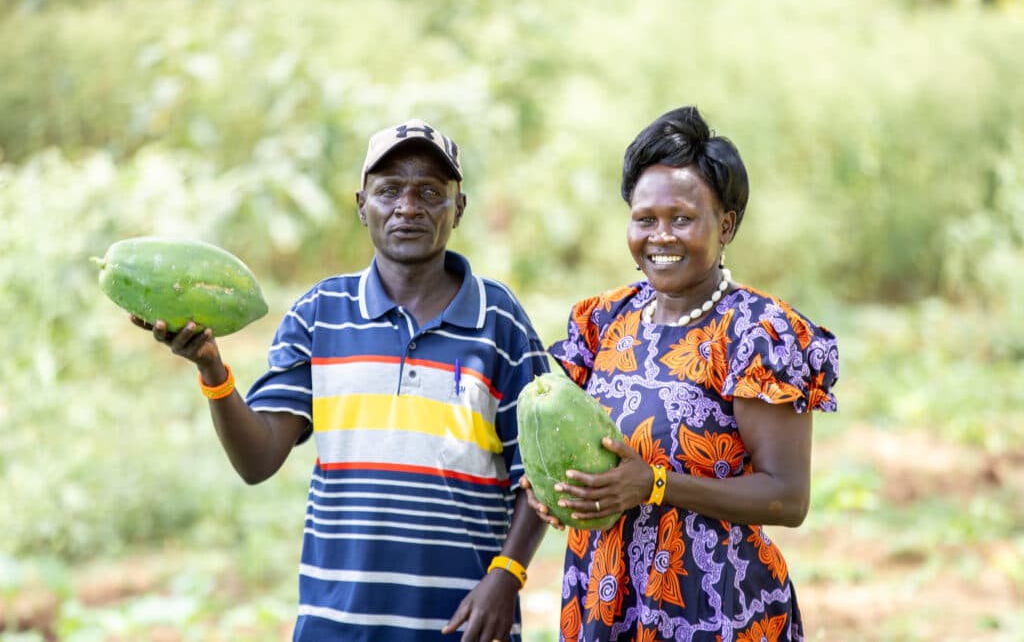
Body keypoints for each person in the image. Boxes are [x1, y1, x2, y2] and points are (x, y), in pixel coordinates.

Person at [133, 119, 551, 642]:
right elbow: (258, 461)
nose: (408, 207)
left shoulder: (499, 320)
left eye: (429, 193)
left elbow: (541, 471)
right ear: (361, 205)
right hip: (338, 625)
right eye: (389, 191)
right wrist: (212, 370)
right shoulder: (320, 313)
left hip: (464, 624)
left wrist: (507, 576)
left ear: (458, 208)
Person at [522, 106, 839, 641]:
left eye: (682, 219)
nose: (661, 236)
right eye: (645, 219)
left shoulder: (756, 333)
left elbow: (787, 497)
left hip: (715, 605)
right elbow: (580, 447)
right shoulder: (604, 320)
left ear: (726, 225)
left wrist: (655, 485)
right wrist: (557, 491)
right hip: (605, 599)